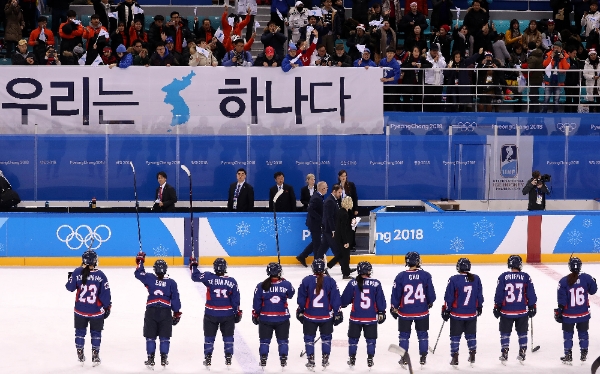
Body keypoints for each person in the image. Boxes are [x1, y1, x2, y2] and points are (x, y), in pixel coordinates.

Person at [190, 257, 243, 369]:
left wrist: (194, 265)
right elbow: (235, 299)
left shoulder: (209, 277)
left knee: (209, 337)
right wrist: (237, 312)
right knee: (228, 337)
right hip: (227, 315)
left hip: (211, 314)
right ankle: (228, 357)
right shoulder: (232, 281)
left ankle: (208, 358)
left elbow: (195, 277)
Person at [134, 253, 182, 369]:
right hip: (165, 312)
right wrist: (176, 313)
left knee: (150, 337)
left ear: (155, 269)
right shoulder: (171, 282)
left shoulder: (150, 278)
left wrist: (140, 261)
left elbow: (138, 273)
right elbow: (175, 299)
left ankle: (150, 359)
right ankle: (164, 358)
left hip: (151, 311)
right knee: (165, 337)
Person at [65, 250, 112, 366]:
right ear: (95, 261)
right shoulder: (101, 275)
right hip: (96, 311)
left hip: (80, 311)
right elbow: (105, 294)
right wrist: (108, 307)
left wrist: (72, 276)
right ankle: (95, 355)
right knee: (96, 333)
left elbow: (69, 288)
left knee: (80, 333)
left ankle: (80, 354)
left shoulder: (77, 272)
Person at [390, 251, 436, 368]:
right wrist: (429, 302)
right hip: (422, 311)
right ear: (417, 261)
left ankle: (404, 358)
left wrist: (394, 307)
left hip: (405, 312)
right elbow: (432, 295)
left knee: (404, 336)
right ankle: (423, 357)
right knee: (423, 335)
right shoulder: (426, 275)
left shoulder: (400, 276)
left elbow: (396, 295)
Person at [296, 258, 343, 370]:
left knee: (309, 338)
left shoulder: (306, 280)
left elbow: (301, 299)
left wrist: (300, 310)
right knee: (326, 338)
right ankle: (325, 358)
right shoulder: (331, 281)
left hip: (309, 316)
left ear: (313, 268)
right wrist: (338, 312)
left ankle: (310, 360)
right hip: (326, 316)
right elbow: (335, 299)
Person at [340, 261, 386, 368]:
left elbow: (344, 301)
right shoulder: (376, 283)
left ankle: (352, 359)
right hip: (370, 318)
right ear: (369, 271)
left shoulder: (352, 283)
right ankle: (370, 359)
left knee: (353, 339)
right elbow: (380, 301)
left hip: (356, 317)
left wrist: (339, 306)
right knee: (371, 340)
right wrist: (381, 312)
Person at [493, 255, 537, 364]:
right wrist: (532, 306)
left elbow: (499, 294)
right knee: (522, 332)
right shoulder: (526, 277)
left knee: (505, 332)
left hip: (506, 311)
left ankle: (504, 351)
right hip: (522, 311)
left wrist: (497, 306)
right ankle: (522, 351)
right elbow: (530, 293)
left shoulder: (503, 277)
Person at [252, 262, 296, 369]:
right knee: (283, 341)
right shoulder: (286, 284)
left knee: (264, 341)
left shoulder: (261, 286)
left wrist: (255, 315)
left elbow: (256, 304)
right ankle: (283, 359)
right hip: (282, 318)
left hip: (265, 318)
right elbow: (291, 294)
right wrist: (284, 281)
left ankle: (263, 359)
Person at [555, 257, 598, 364]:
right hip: (583, 313)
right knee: (583, 333)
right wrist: (594, 282)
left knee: (568, 335)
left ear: (570, 266)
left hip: (568, 314)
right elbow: (593, 291)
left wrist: (559, 311)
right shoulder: (587, 278)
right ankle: (584, 354)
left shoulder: (563, 281)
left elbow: (562, 300)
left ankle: (568, 355)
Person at [442, 258, 484, 367]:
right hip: (471, 313)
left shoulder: (454, 279)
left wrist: (446, 310)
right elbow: (479, 295)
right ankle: (472, 354)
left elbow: (449, 297)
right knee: (471, 335)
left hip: (457, 314)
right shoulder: (476, 278)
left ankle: (455, 357)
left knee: (455, 336)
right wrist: (479, 307)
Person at [296, 181, 327, 267]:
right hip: (314, 224)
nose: (326, 189)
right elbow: (310, 209)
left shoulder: (319, 196)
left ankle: (302, 256)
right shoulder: (317, 197)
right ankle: (316, 263)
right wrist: (320, 219)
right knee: (317, 243)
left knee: (316, 241)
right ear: (321, 189)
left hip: (315, 223)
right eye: (325, 188)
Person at [327, 196, 355, 279]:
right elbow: (343, 229)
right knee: (345, 256)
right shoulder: (344, 214)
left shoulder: (341, 211)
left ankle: (329, 266)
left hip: (339, 236)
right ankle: (345, 274)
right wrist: (346, 241)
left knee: (341, 255)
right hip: (342, 238)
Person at [317, 184, 342, 260]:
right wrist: (333, 230)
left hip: (328, 229)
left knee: (323, 247)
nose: (340, 194)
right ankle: (345, 269)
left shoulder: (333, 200)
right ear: (334, 191)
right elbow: (329, 217)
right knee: (336, 249)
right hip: (329, 230)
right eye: (339, 192)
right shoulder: (330, 201)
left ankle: (317, 261)